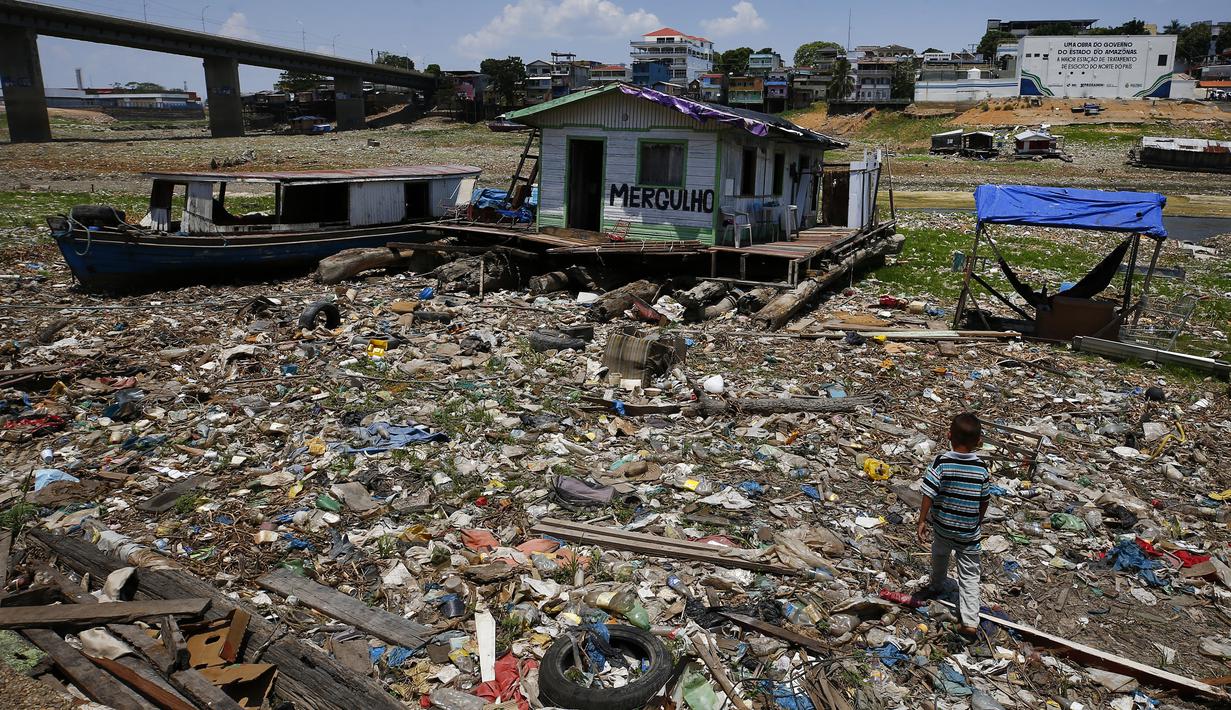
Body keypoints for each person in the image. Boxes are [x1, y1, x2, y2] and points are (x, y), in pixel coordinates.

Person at [916, 412, 990, 638]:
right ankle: (969, 621)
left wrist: (922, 520)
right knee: (969, 575)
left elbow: (929, 492)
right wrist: (977, 520)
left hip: (943, 525)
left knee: (939, 554)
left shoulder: (942, 462)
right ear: (979, 442)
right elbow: (984, 499)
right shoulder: (981, 468)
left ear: (948, 435)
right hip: (968, 531)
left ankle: (936, 585)